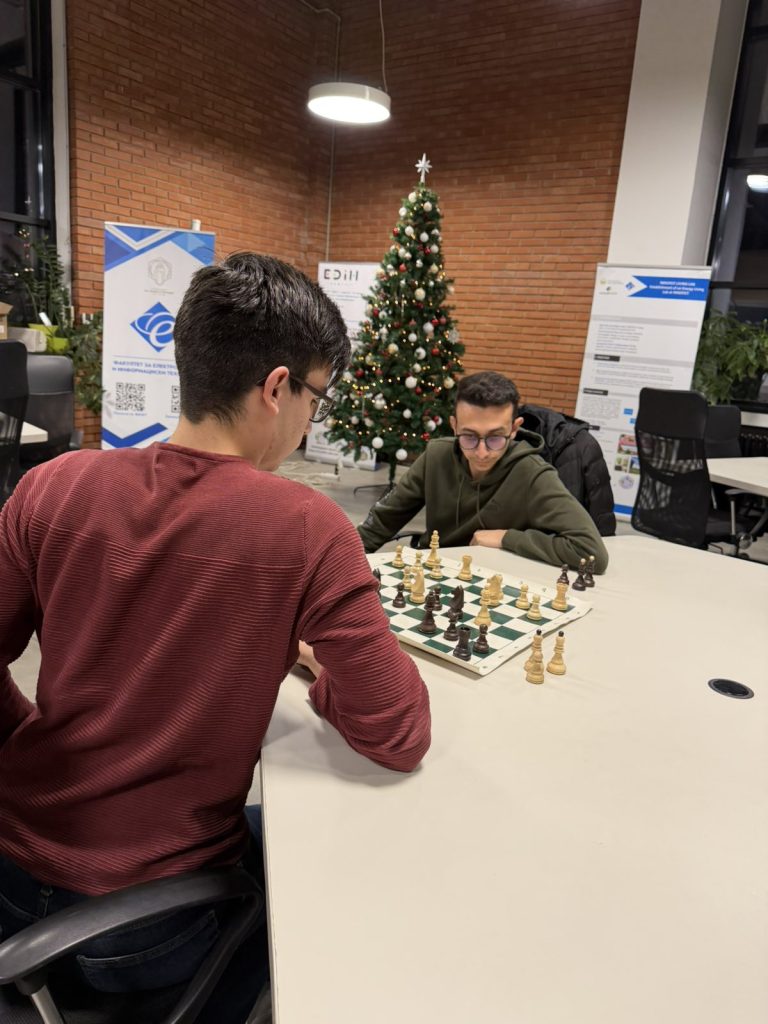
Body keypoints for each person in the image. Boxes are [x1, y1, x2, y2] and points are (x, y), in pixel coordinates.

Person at [0, 253, 430, 1021]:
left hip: (10, 874)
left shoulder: (50, 487)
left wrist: (23, 729)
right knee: (325, 891)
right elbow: (398, 731)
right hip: (153, 929)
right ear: (277, 388)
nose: (310, 421)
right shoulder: (307, 528)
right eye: (316, 398)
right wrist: (323, 677)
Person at [357, 370, 609, 573]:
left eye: (495, 438)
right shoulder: (436, 455)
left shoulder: (533, 475)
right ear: (454, 425)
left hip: (492, 581)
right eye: (469, 436)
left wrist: (506, 538)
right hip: (437, 573)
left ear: (514, 429)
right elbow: (381, 522)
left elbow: (592, 552)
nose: (481, 452)